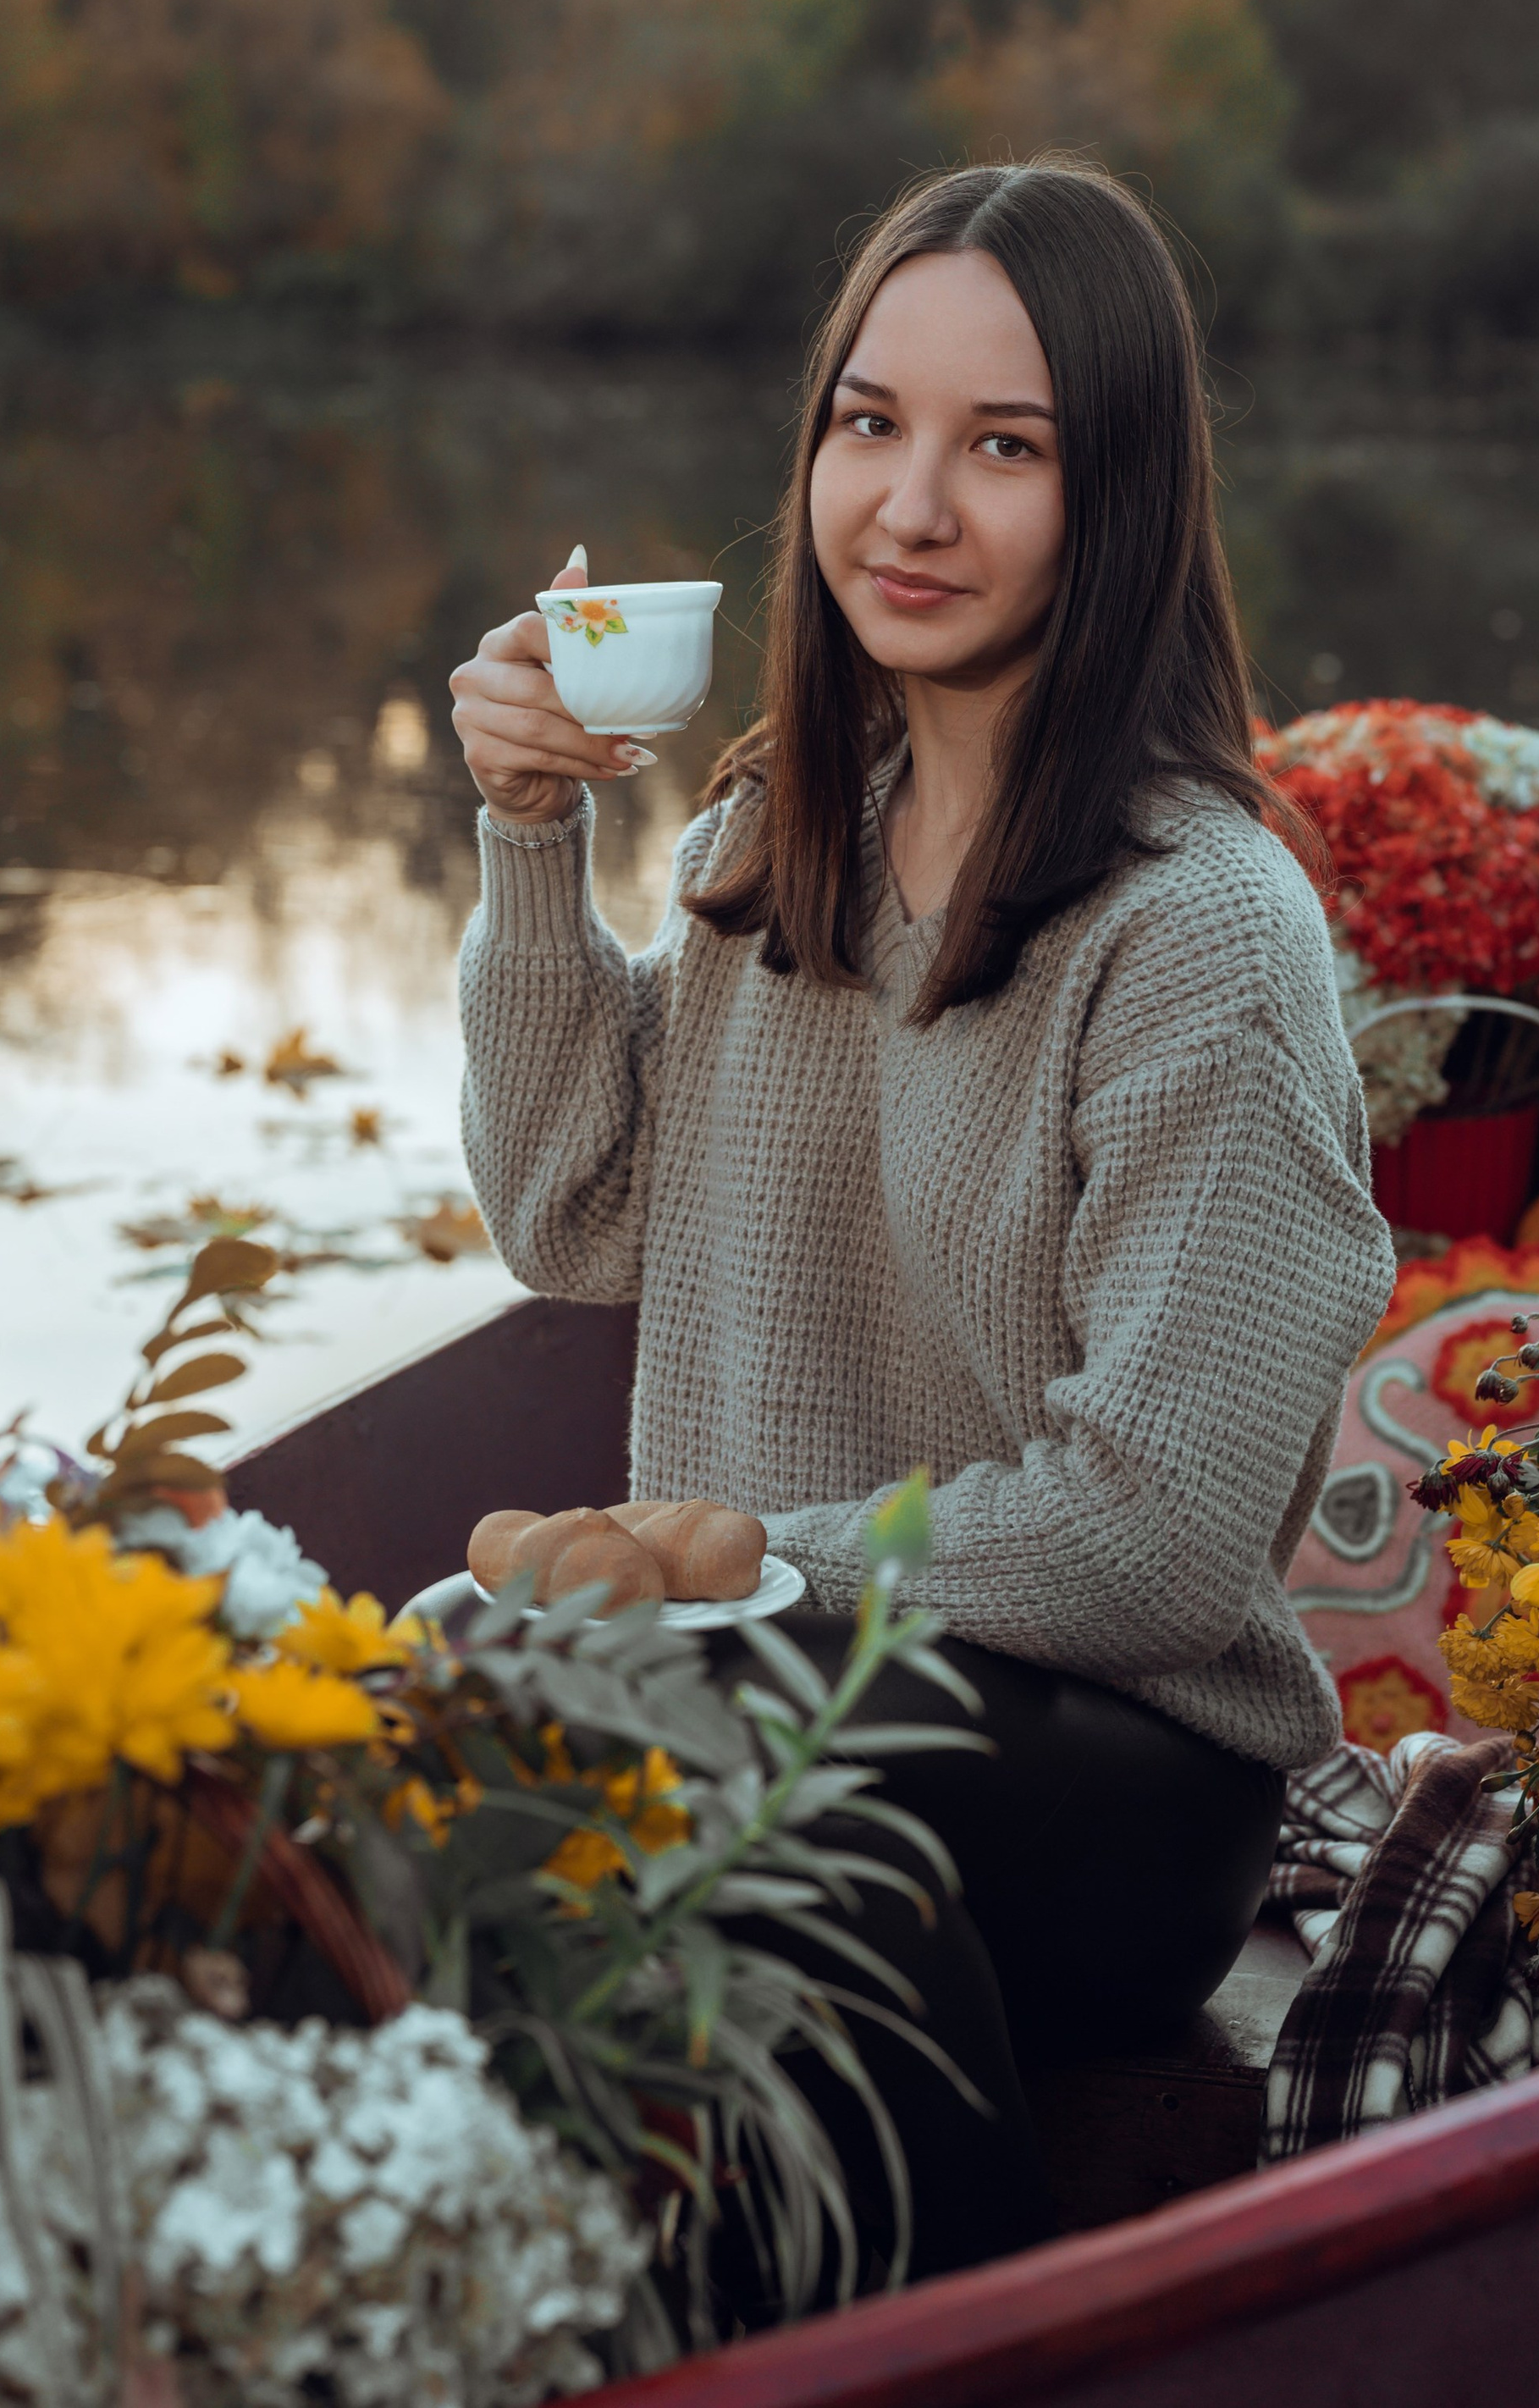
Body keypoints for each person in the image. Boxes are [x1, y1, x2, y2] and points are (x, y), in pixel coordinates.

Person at [449, 158, 1395, 2287]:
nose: (911, 507)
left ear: (1120, 490)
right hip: (772, 1699)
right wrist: (532, 834)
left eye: (1006, 448)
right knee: (452, 1679)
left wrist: (739, 1572)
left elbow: (1153, 1539)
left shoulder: (1197, 932)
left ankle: (957, 2340)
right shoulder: (767, 835)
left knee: (699, 1722)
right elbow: (566, 1210)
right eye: (867, 425)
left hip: (1116, 1785)